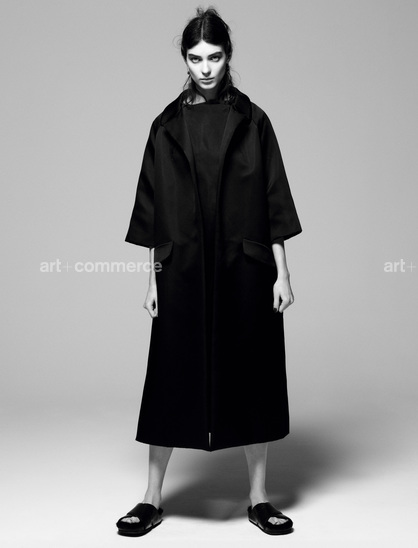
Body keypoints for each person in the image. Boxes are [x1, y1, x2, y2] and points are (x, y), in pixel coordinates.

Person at [116, 6, 302, 537]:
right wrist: (152, 277)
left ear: (228, 56)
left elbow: (273, 199)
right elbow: (153, 208)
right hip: (182, 268)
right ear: (184, 59)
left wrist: (283, 273)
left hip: (245, 266)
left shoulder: (254, 121)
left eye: (214, 57)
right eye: (196, 58)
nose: (205, 68)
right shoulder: (166, 126)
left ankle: (259, 499)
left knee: (251, 373)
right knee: (171, 374)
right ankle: (152, 498)